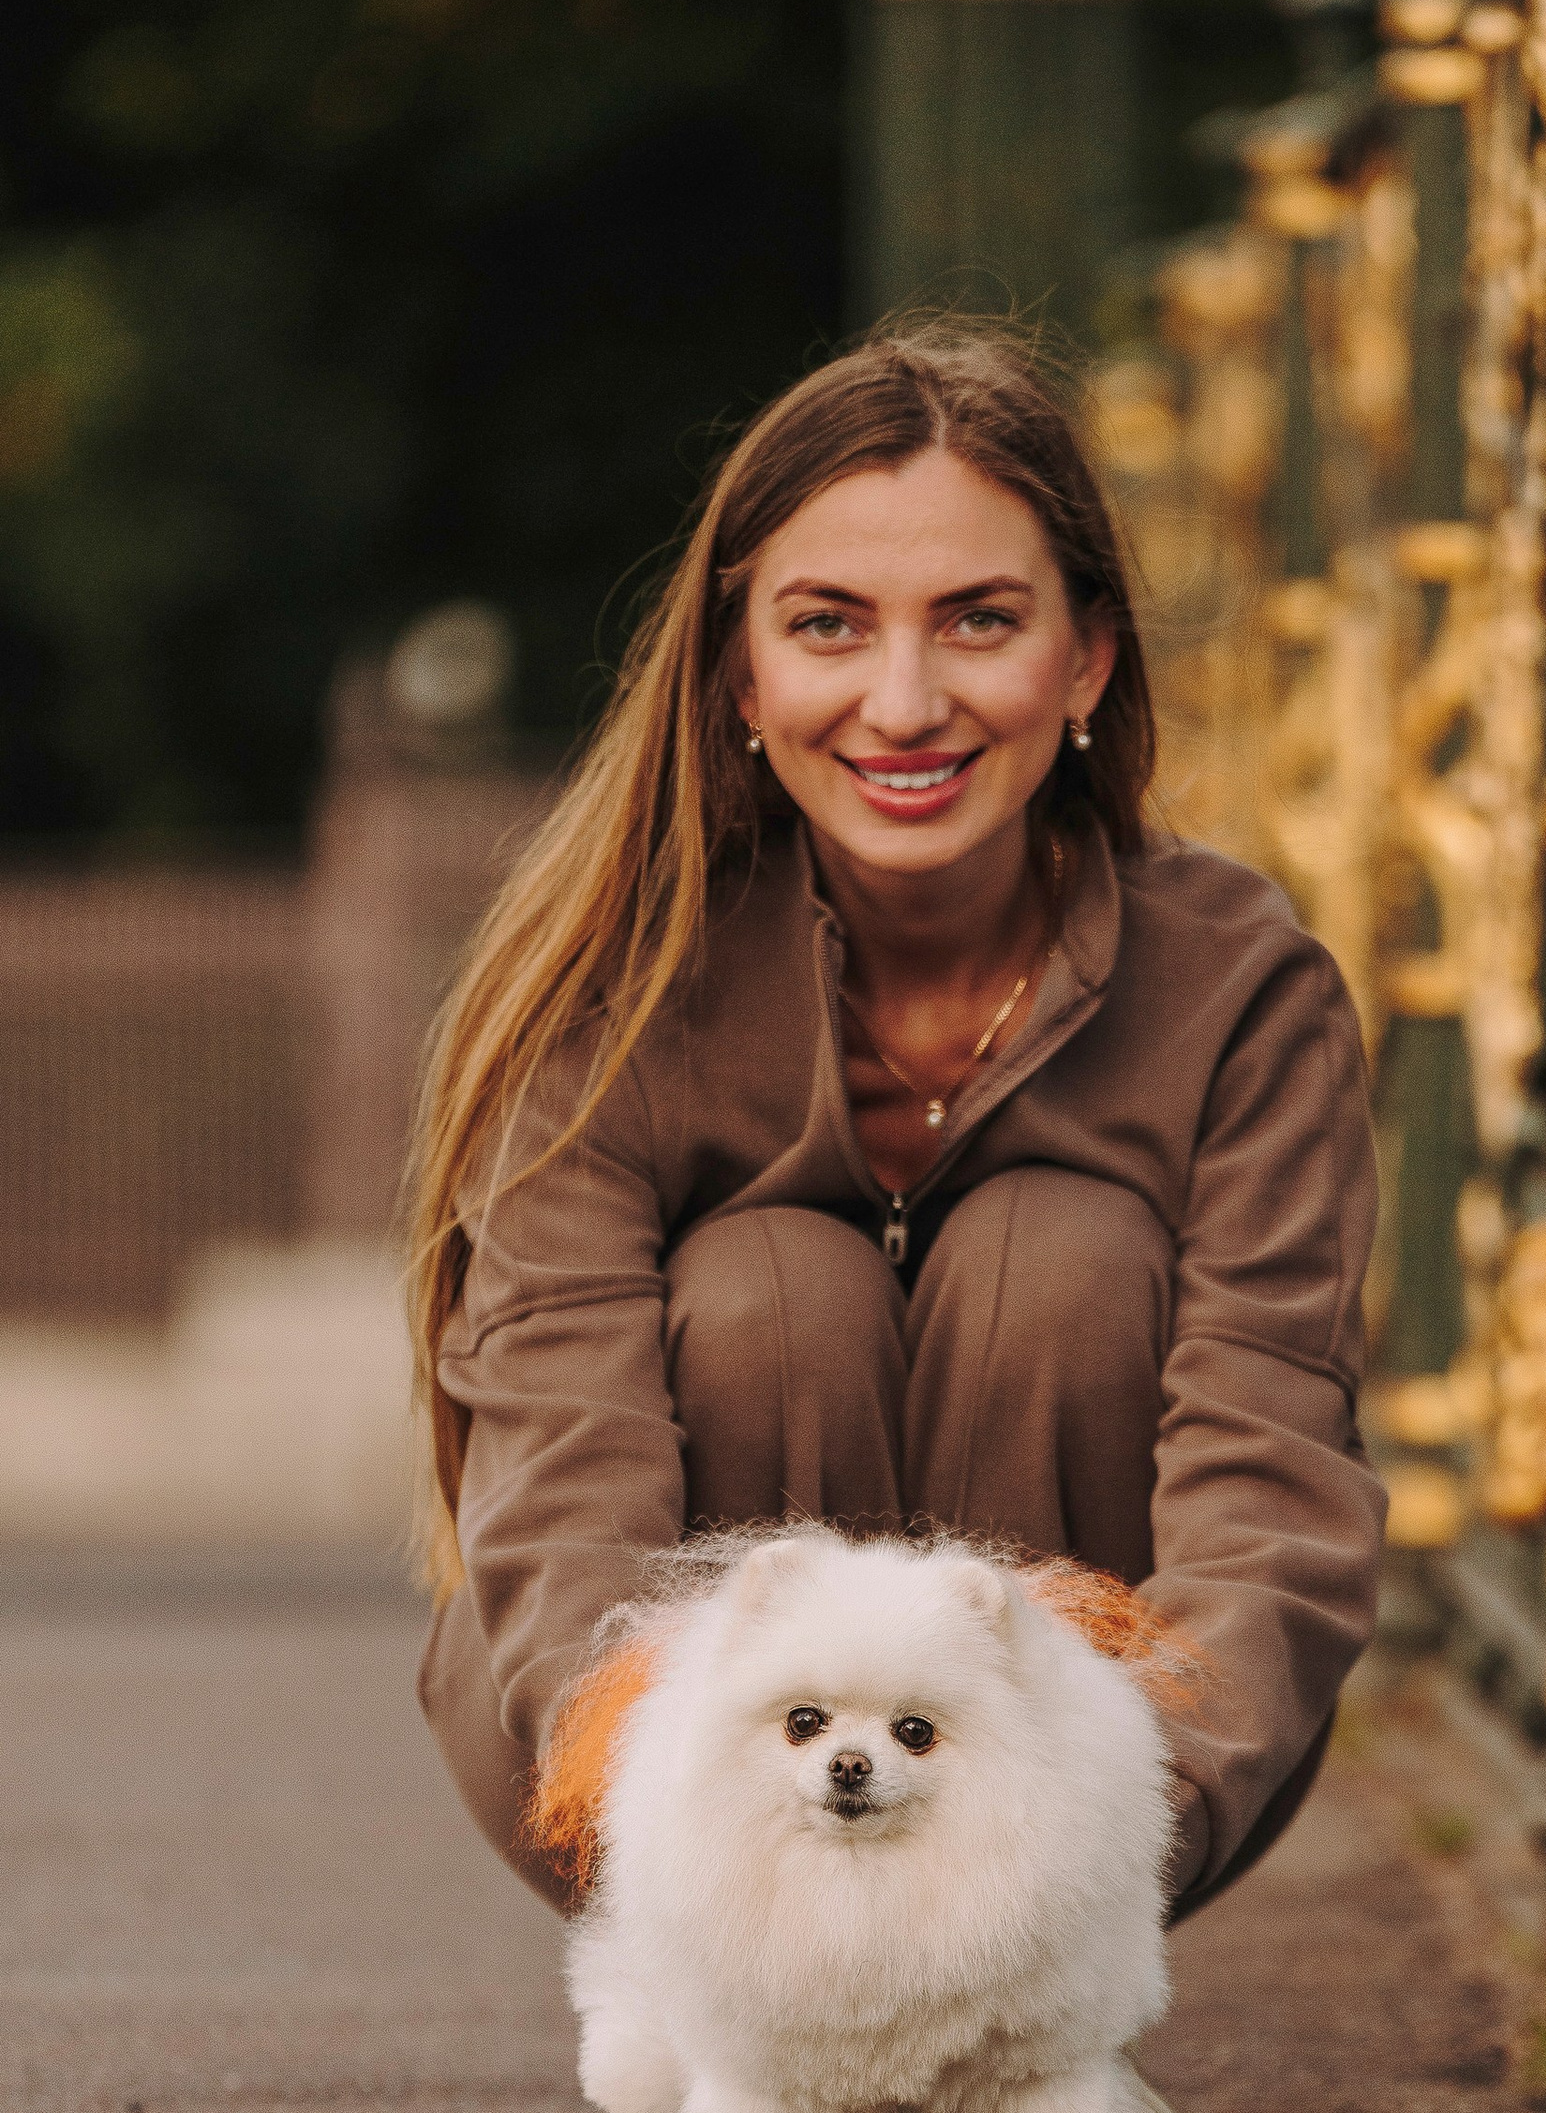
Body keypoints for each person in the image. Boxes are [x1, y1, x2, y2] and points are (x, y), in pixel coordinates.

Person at [407, 321, 1384, 1965]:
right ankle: (754, 2029)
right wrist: (676, 1833)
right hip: (673, 1811)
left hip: (1081, 1820)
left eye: (980, 621)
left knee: (1056, 1262)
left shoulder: (1240, 989)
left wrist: (1103, 1845)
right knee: (772, 1287)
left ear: (1084, 661)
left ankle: (1023, 2015)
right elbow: (563, 1488)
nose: (905, 700)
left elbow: (1265, 1480)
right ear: (740, 674)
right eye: (829, 627)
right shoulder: (605, 986)